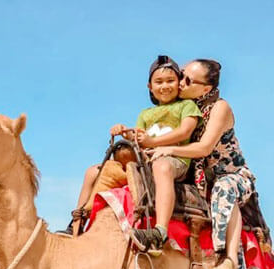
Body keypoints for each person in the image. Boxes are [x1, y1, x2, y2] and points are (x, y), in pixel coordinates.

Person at [63, 55, 201, 256]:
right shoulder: (146, 114)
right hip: (146, 158)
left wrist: (153, 143)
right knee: (93, 172)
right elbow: (138, 137)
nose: (165, 86)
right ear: (150, 86)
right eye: (159, 82)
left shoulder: (186, 106)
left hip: (173, 158)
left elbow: (185, 132)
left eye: (170, 81)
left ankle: (160, 231)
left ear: (178, 83)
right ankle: (77, 223)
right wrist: (124, 131)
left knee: (161, 167)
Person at [150, 59, 256, 269]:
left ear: (206, 88)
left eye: (187, 80)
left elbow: (204, 147)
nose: (180, 82)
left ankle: (230, 262)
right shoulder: (187, 109)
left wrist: (165, 148)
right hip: (201, 178)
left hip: (232, 176)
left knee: (223, 188)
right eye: (181, 75)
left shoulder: (220, 108)